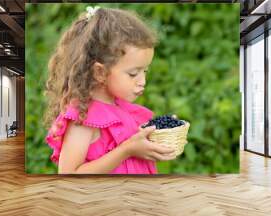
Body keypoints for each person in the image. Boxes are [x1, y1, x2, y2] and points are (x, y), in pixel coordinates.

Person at [44, 6, 176, 174]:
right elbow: (69, 174)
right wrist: (126, 150)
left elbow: (132, 144)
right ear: (100, 72)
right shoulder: (84, 116)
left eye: (145, 71)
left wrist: (157, 135)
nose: (143, 81)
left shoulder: (119, 106)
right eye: (133, 73)